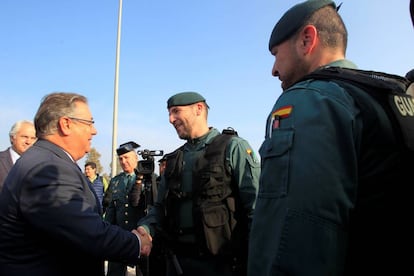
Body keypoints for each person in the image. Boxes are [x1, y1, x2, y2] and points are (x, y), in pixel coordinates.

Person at [248, 1, 410, 275]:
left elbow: (295, 240)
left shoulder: (311, 100)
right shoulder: (390, 96)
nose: (274, 69)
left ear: (307, 40)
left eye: (276, 54)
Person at [0, 92, 152, 276]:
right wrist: (136, 243)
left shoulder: (46, 160)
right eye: (89, 123)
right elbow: (86, 233)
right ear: (66, 124)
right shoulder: (48, 167)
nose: (94, 131)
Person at [137, 91, 260, 276]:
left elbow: (256, 208)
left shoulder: (233, 148)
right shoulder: (174, 159)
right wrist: (144, 229)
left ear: (199, 109)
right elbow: (160, 208)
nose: (171, 119)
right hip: (178, 263)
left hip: (223, 264)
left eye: (176, 111)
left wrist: (256, 260)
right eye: (169, 113)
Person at [104, 141, 149, 276]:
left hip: (140, 236)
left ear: (136, 158)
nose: (123, 161)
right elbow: (111, 209)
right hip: (120, 236)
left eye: (127, 158)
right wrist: (108, 233)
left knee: (143, 272)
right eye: (121, 159)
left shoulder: (147, 179)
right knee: (115, 272)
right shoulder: (115, 181)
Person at [0, 120, 36, 190]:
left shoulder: (39, 163)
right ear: (12, 138)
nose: (28, 142)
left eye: (33, 138)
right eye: (24, 137)